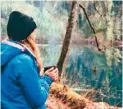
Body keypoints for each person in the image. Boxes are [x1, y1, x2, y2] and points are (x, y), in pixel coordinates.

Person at [1, 11, 59, 109]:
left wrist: (38, 77)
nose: (35, 36)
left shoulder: (4, 54)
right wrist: (47, 79)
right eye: (33, 33)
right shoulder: (23, 61)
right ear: (25, 37)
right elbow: (38, 99)